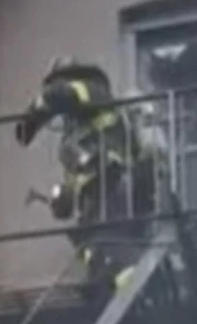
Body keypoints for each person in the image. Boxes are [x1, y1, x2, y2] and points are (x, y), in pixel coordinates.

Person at [15, 57, 159, 299]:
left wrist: (31, 120)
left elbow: (61, 95)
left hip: (114, 183)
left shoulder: (95, 93)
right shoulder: (74, 133)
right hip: (93, 198)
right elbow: (76, 181)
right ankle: (109, 286)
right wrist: (62, 199)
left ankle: (134, 286)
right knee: (93, 247)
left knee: (112, 243)